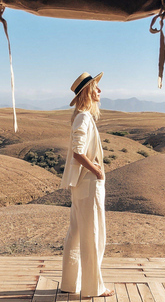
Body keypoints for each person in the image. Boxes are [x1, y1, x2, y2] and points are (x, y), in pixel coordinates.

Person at [59, 72, 114, 297]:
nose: (100, 91)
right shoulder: (83, 117)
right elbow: (78, 153)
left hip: (81, 184)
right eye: (96, 88)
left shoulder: (81, 116)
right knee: (93, 234)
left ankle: (70, 283)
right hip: (89, 183)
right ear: (87, 92)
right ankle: (93, 287)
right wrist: (97, 170)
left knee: (77, 233)